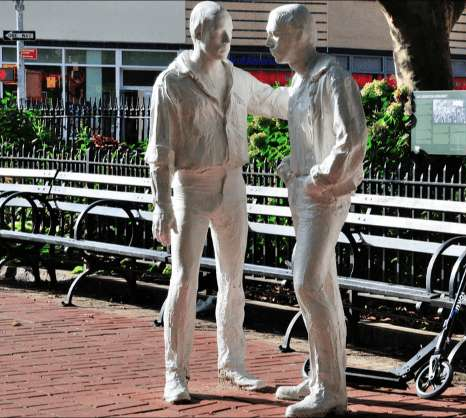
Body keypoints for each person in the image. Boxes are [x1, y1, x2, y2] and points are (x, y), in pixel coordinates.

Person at [145, 1, 289, 404]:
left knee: (233, 280)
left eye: (230, 32)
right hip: (190, 187)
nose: (227, 40)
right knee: (184, 280)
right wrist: (161, 204)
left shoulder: (238, 78)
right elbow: (160, 151)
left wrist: (312, 96)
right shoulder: (171, 82)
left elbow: (274, 102)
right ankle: (175, 372)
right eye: (218, 32)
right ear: (196, 33)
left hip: (233, 185)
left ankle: (233, 361)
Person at [266, 4, 367, 417]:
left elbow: (353, 137)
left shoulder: (333, 77)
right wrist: (293, 166)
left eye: (276, 35)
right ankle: (324, 378)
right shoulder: (298, 81)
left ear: (301, 34)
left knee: (307, 282)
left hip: (324, 196)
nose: (270, 42)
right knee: (322, 286)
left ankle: (330, 391)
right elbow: (309, 136)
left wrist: (322, 176)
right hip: (303, 192)